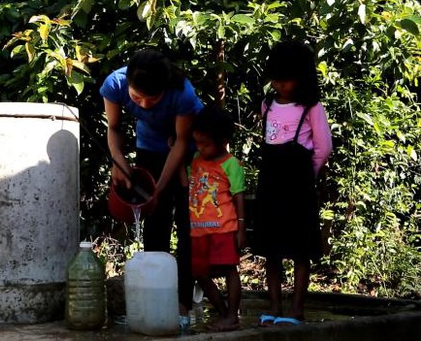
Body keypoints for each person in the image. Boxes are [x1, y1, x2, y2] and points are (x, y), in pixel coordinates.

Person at [99, 49, 204, 329]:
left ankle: (183, 302)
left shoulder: (183, 94)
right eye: (136, 98)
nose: (143, 105)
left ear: (164, 89)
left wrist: (158, 187)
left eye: (152, 99)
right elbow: (114, 127)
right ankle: (156, 297)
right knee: (156, 224)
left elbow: (182, 141)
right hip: (148, 150)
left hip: (189, 155)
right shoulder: (114, 84)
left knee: (186, 227)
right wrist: (118, 161)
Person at [254, 41, 333, 326]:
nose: (278, 84)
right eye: (275, 77)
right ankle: (273, 306)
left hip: (298, 187)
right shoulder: (267, 105)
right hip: (271, 186)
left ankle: (297, 309)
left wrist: (306, 176)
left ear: (301, 78)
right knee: (271, 249)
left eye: (285, 78)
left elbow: (323, 148)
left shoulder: (311, 108)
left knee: (300, 250)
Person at [188, 104, 245, 332]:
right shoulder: (195, 158)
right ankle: (223, 313)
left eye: (205, 144)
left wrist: (241, 229)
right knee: (199, 273)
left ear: (222, 141)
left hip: (223, 229)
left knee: (230, 269)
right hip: (198, 230)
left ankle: (232, 315)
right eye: (197, 143)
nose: (200, 148)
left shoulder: (231, 164)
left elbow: (238, 197)